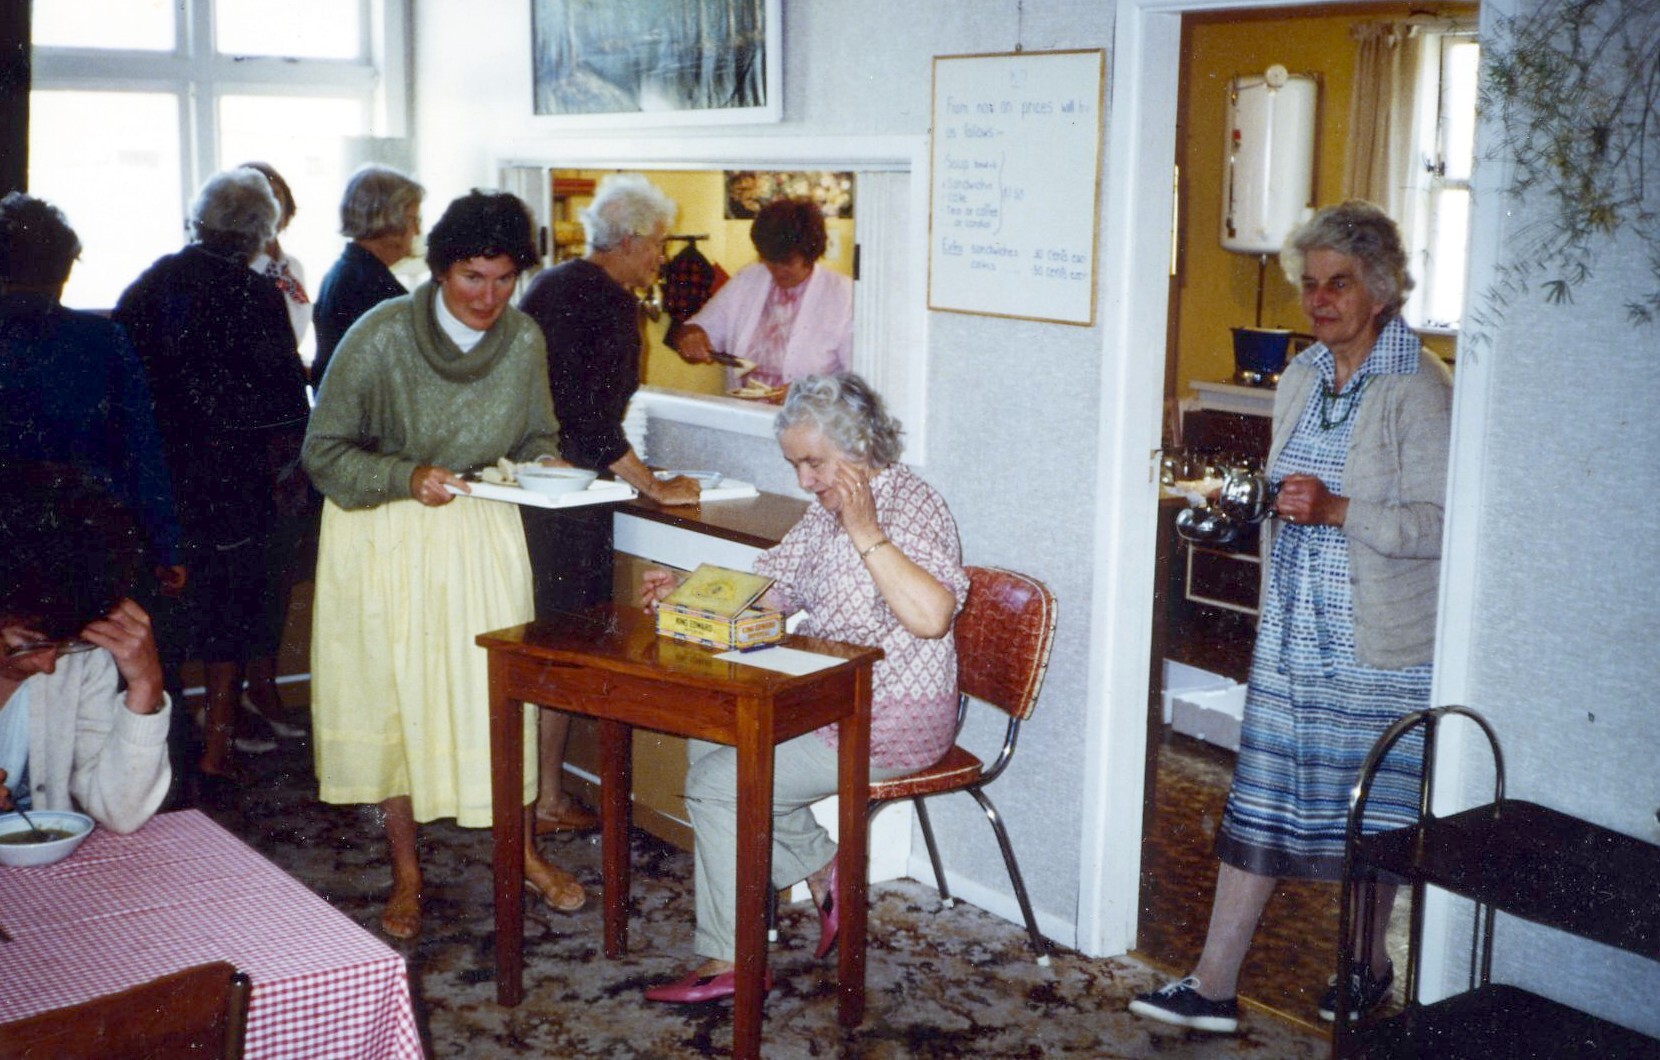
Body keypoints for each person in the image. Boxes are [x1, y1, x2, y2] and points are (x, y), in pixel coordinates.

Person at [1130, 201, 1453, 1034]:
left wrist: (1340, 508)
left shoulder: (1419, 386)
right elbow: (1289, 490)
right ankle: (1213, 983)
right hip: (1292, 630)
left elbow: (1443, 525)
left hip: (1377, 642)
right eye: (1310, 284)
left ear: (1381, 288)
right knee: (1262, 800)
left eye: (1338, 283)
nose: (1320, 300)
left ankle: (1367, 965)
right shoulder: (1304, 375)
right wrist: (1248, 502)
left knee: (1373, 814)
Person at [302, 189, 585, 941]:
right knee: (392, 697)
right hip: (384, 533)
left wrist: (545, 462)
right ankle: (408, 872)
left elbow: (534, 435)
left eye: (504, 278)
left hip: (479, 532)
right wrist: (405, 476)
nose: (488, 297)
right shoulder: (381, 334)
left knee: (496, 694)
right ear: (438, 270)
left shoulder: (523, 340)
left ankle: (522, 852)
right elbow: (322, 452)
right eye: (471, 277)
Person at [639, 372, 969, 1003]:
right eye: (795, 465)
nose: (804, 481)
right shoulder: (824, 513)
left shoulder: (909, 506)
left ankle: (730, 960)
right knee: (710, 744)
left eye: (814, 463)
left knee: (720, 784)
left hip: (893, 716)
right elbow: (774, 586)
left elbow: (931, 617)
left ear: (860, 446)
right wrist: (690, 591)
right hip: (829, 699)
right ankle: (826, 871)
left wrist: (866, 532)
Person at [518, 173, 701, 837]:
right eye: (656, 244)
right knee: (566, 645)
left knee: (540, 643)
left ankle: (538, 794)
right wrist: (653, 484)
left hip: (531, 488)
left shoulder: (550, 284)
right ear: (627, 241)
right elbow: (593, 422)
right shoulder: (608, 303)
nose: (661, 257)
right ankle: (547, 799)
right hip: (569, 503)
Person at [114, 168, 312, 779]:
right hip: (234, 477)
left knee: (165, 611)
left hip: (161, 472)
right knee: (232, 611)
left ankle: (167, 742)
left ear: (199, 222)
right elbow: (288, 404)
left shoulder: (153, 281)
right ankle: (216, 750)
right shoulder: (255, 293)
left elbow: (122, 374)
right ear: (260, 233)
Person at [0, 462, 171, 835]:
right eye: (27, 645)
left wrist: (146, 686)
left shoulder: (81, 655)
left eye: (63, 644)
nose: (50, 664)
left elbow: (121, 812)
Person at [239, 161, 315, 745]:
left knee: (280, 566)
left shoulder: (291, 270)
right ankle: (242, 694)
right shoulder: (234, 271)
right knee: (243, 570)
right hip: (244, 432)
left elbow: (292, 337)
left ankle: (263, 686)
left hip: (284, 430)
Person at [670, 197, 852, 391]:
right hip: (742, 408)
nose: (778, 270)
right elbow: (697, 330)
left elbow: (858, 384)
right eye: (770, 260)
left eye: (787, 262)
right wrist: (691, 337)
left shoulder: (844, 295)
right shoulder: (747, 279)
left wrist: (806, 393)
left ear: (810, 254)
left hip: (809, 409)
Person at [311, 164, 425, 390]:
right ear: (388, 220)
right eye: (413, 219)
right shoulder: (375, 289)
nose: (417, 232)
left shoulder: (344, 272)